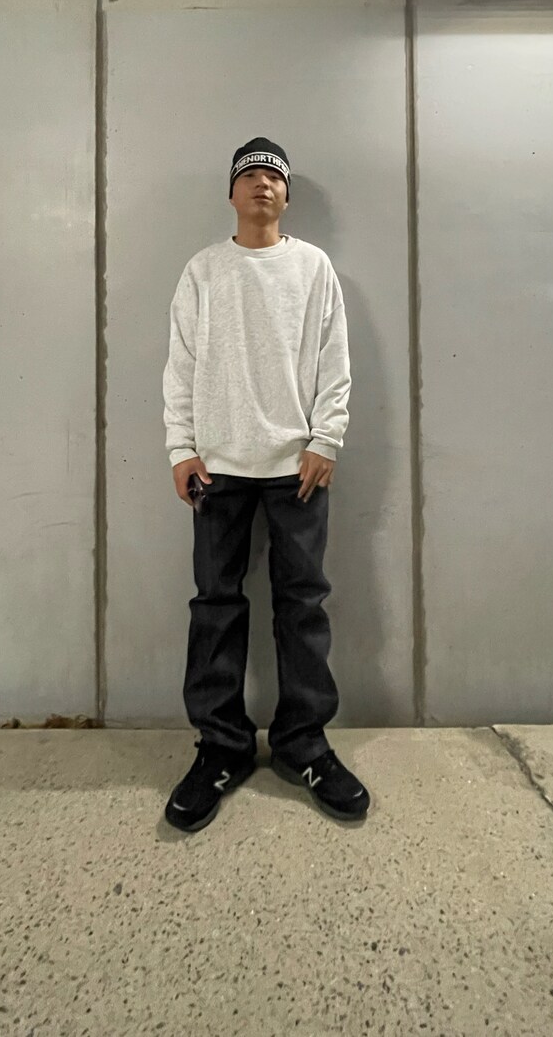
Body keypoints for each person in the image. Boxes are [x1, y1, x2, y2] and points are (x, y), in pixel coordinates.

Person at [161, 136, 370, 833]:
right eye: (249, 174)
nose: (261, 184)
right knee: (215, 606)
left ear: (287, 195)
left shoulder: (313, 268)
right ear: (231, 193)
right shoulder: (203, 271)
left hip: (296, 469)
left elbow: (335, 359)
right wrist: (182, 449)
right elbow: (181, 366)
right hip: (216, 470)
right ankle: (221, 747)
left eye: (274, 177)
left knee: (302, 605)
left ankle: (301, 744)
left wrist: (326, 438)